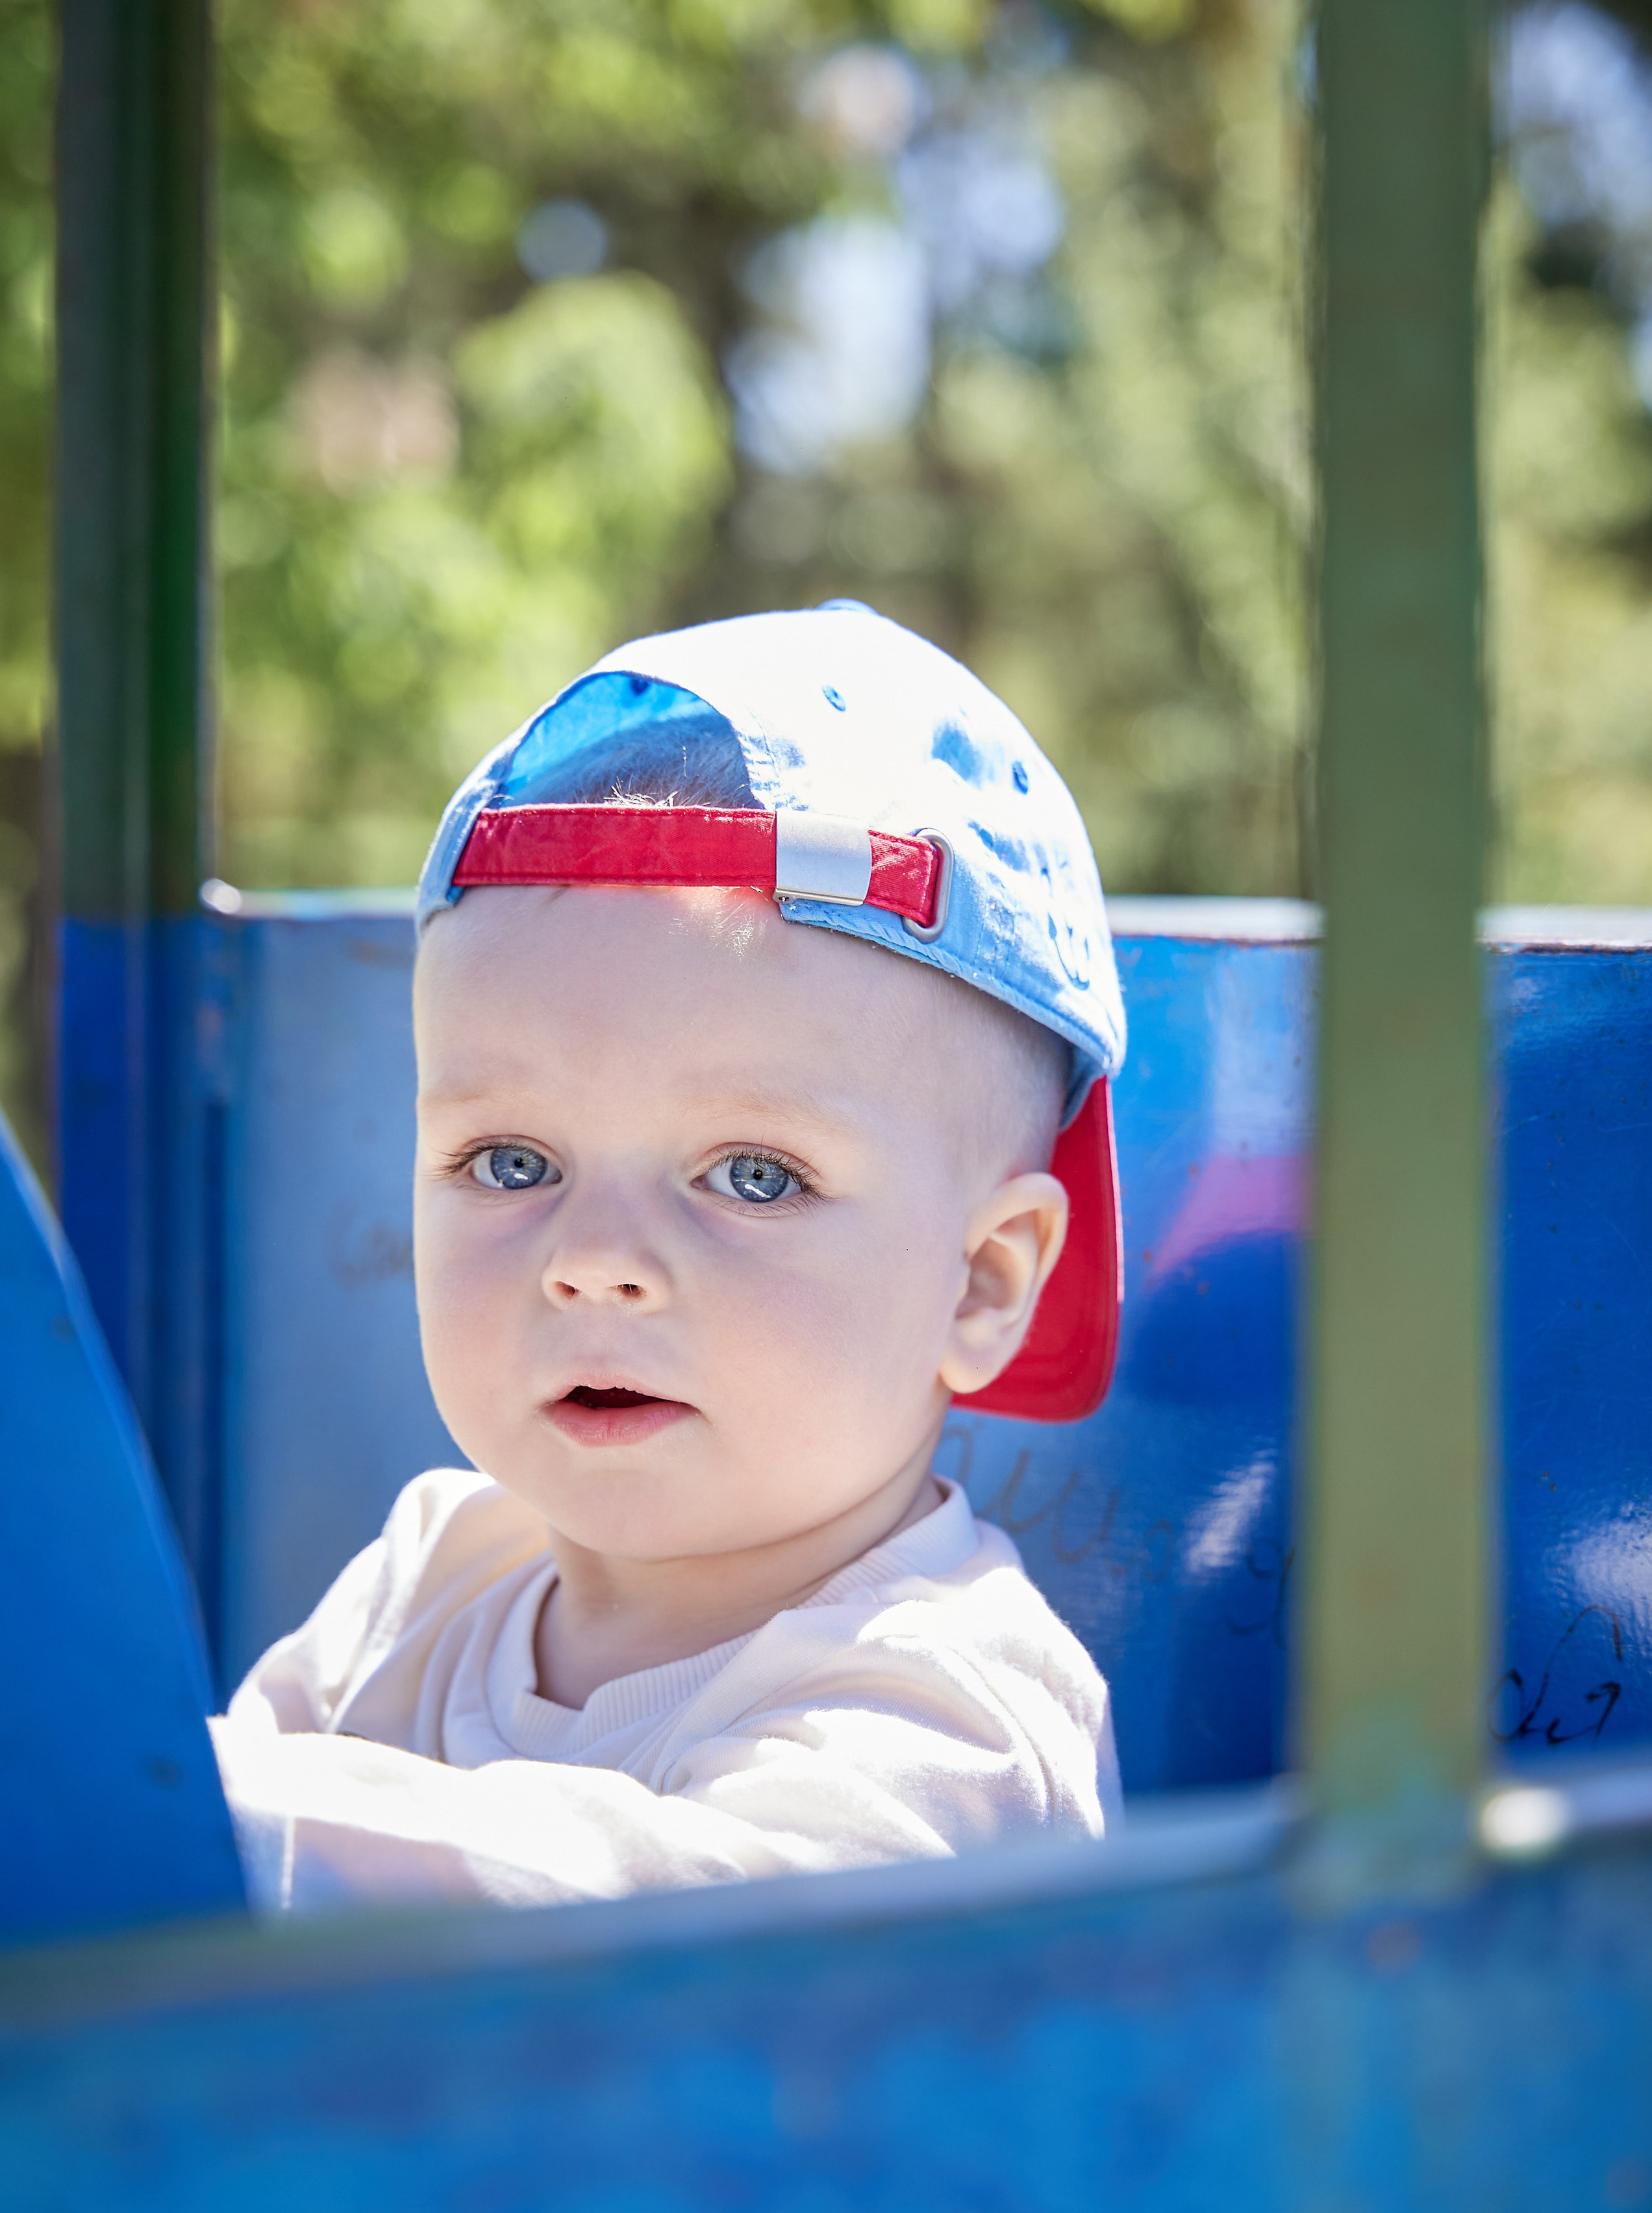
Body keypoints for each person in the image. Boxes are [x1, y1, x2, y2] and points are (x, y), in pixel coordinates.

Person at [211, 602, 1129, 1912]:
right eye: (510, 1162)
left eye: (753, 1176)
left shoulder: (956, 1714)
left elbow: (674, 1947)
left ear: (980, 1278)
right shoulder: (429, 1572)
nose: (593, 1263)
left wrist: (229, 1828)